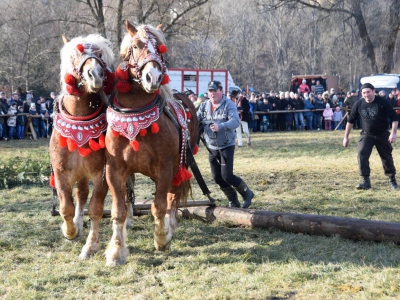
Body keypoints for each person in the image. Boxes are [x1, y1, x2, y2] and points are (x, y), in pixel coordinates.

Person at [197, 80, 254, 208]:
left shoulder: (229, 104)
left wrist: (221, 126)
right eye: (210, 91)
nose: (212, 94)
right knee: (217, 177)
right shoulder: (204, 105)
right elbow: (197, 119)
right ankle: (233, 200)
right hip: (211, 146)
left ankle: (247, 193)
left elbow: (235, 121)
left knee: (227, 175)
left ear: (221, 91)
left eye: (215, 91)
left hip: (226, 145)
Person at [343, 83, 399, 190]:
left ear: (373, 91)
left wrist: (393, 133)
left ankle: (392, 180)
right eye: (364, 93)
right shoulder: (359, 104)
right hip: (367, 134)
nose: (366, 95)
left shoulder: (383, 102)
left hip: (382, 134)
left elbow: (394, 118)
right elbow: (350, 121)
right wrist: (346, 137)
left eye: (368, 92)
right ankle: (365, 181)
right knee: (361, 153)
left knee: (386, 157)